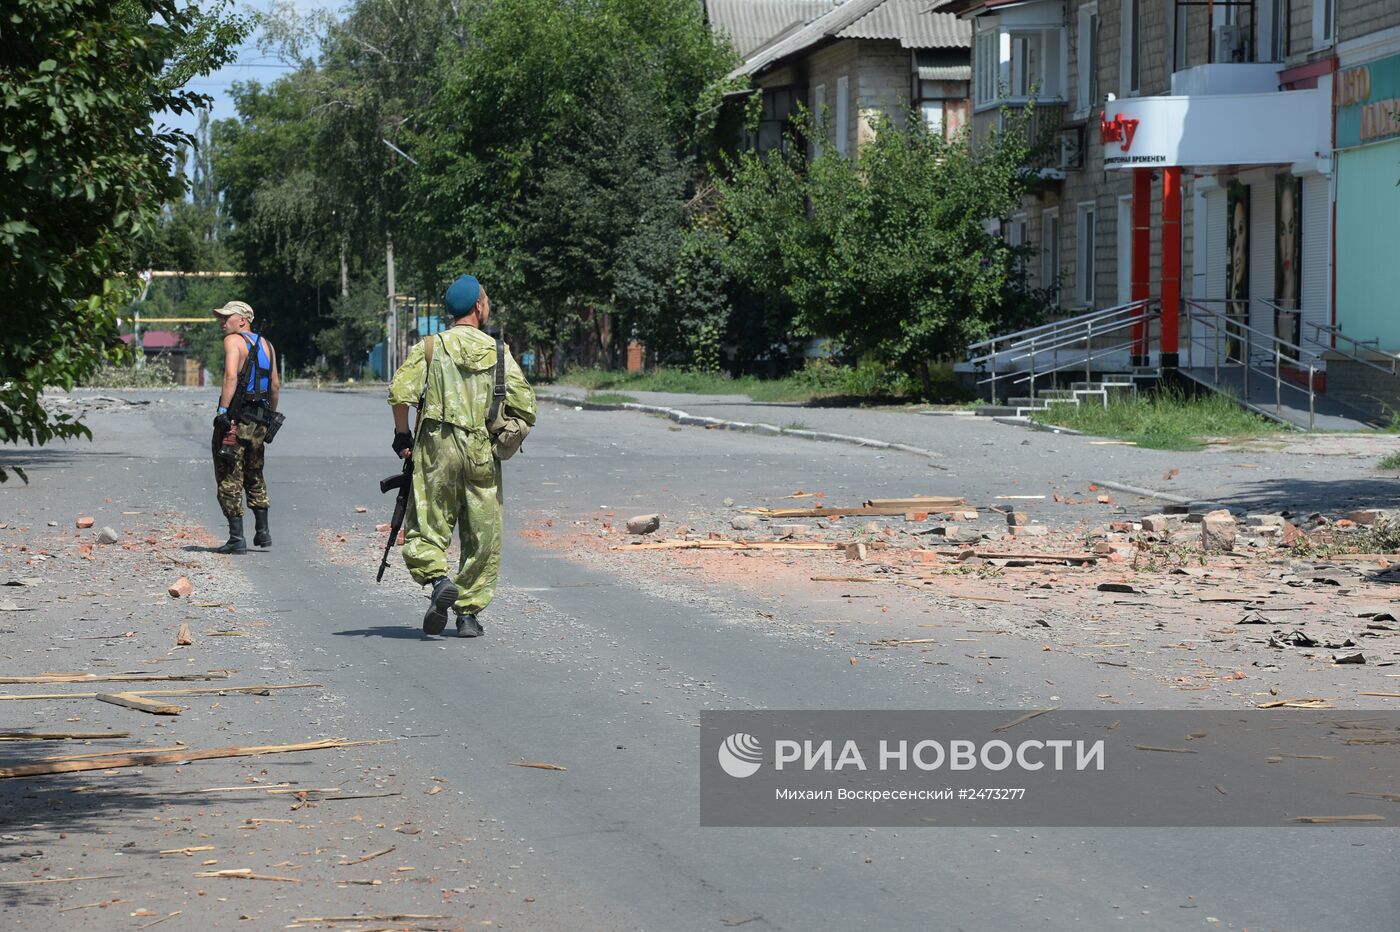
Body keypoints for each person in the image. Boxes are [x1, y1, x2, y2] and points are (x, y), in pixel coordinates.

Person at [387, 275, 536, 638]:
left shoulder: (430, 348)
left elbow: (399, 393)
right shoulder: (499, 352)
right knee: (483, 531)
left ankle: (438, 581)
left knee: (427, 522)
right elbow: (526, 406)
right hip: (482, 451)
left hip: (437, 448)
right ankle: (468, 614)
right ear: (478, 307)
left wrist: (402, 435)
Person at [211, 300, 279, 554]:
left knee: (229, 473)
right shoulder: (268, 345)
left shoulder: (233, 341)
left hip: (236, 419)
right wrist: (269, 416)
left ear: (242, 320)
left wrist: (222, 412)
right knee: (254, 471)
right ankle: (263, 532)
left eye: (226, 317)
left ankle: (236, 537)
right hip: (260, 420)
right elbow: (274, 386)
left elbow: (230, 377)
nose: (222, 321)